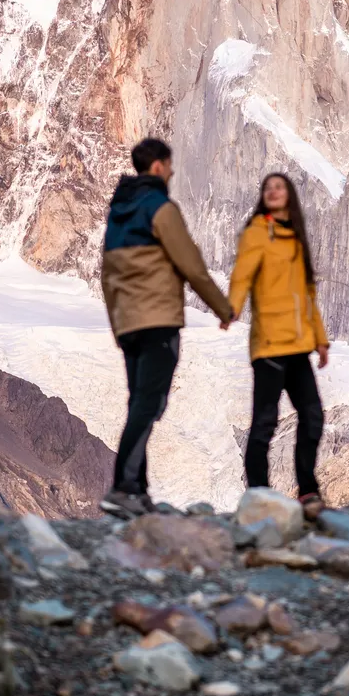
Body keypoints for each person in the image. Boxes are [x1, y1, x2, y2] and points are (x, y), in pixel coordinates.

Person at [100, 137, 233, 518]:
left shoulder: (118, 213)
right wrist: (222, 308)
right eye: (170, 165)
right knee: (149, 403)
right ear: (158, 166)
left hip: (128, 323)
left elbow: (107, 274)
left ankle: (137, 492)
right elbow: (191, 266)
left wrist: (118, 324)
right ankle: (123, 488)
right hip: (158, 320)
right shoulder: (161, 208)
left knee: (138, 400)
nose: (172, 172)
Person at [228, 173, 329, 519]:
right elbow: (242, 274)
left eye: (279, 187)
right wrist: (231, 307)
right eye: (267, 187)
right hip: (269, 343)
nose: (272, 191)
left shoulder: (295, 240)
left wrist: (321, 339)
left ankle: (307, 489)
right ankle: (258, 493)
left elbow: (308, 294)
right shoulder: (257, 231)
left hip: (298, 346)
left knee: (313, 415)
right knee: (265, 423)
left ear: (289, 197)